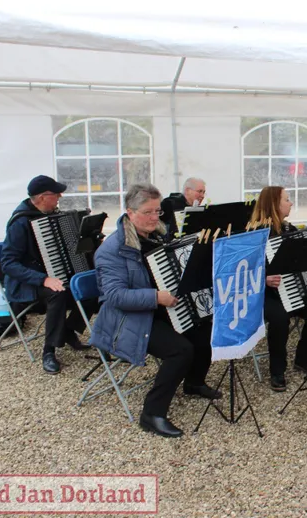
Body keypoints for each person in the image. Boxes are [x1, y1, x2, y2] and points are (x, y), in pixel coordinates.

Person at [91, 183, 221, 438]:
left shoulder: (160, 236)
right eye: (148, 212)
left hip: (159, 308)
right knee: (180, 350)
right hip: (128, 318)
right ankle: (152, 414)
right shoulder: (112, 250)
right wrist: (155, 297)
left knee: (205, 330)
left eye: (157, 211)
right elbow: (115, 296)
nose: (154, 218)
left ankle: (194, 383)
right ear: (130, 212)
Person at [1, 175, 94, 375]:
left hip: (54, 275)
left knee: (91, 285)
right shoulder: (20, 222)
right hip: (27, 282)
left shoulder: (51, 214)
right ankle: (49, 351)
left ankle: (68, 330)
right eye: (56, 193)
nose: (60, 196)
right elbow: (8, 264)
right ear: (43, 197)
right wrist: (43, 279)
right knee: (58, 293)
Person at [252, 186, 307, 392]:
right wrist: (264, 279)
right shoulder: (255, 233)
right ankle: (277, 370)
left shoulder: (288, 229)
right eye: (286, 199)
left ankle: (304, 359)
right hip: (264, 294)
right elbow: (243, 271)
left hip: (289, 289)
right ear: (274, 204)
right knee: (279, 319)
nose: (291, 203)